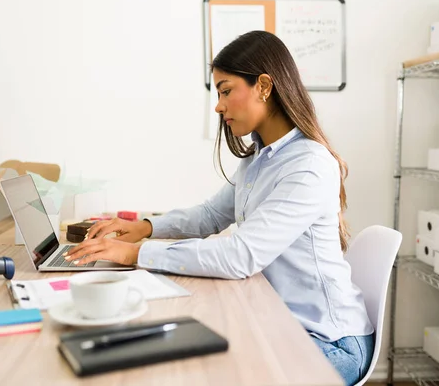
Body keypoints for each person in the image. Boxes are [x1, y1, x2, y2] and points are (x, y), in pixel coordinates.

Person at [65, 30, 375, 385]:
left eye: (226, 90)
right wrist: (146, 227)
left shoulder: (309, 165)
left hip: (328, 342)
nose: (218, 105)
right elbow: (211, 215)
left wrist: (136, 253)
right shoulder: (260, 159)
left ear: (263, 86)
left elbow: (241, 255)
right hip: (280, 322)